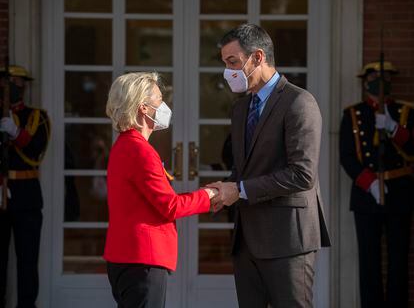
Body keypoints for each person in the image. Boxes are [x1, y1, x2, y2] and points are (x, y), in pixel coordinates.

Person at [207, 24, 331, 308]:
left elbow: (302, 175)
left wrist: (238, 189)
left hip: (288, 239)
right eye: (225, 64)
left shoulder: (299, 102)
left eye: (233, 62)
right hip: (246, 239)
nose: (228, 72)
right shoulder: (240, 109)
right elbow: (244, 168)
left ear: (258, 57)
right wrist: (222, 191)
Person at [103, 72, 218, 308]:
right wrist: (211, 195)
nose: (164, 105)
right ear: (143, 108)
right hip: (141, 258)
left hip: (127, 257)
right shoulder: (139, 150)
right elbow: (170, 206)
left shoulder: (126, 144)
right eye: (159, 99)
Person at [339, 61, 414, 308]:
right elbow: (347, 156)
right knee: (369, 261)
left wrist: (394, 128)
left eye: (384, 76)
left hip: (399, 193)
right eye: (373, 76)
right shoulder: (353, 114)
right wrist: (369, 183)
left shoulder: (405, 112)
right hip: (366, 195)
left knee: (399, 260)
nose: (379, 80)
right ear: (365, 82)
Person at [0, 65, 51, 308]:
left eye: (17, 82)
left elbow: (35, 152)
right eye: (8, 81)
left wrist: (15, 132)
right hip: (1, 194)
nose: (13, 86)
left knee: (28, 260)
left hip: (26, 195)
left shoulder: (37, 117)